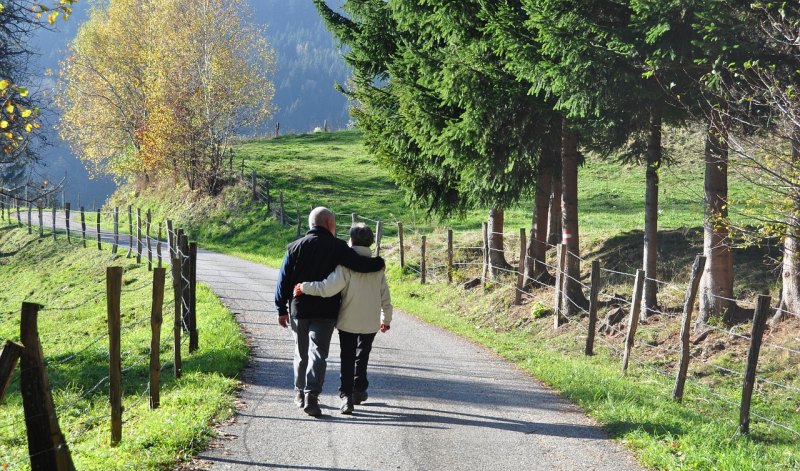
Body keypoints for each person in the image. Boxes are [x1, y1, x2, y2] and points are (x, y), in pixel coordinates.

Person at [275, 207, 384, 417]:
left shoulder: (294, 247)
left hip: (299, 309)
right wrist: (379, 263)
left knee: (301, 352)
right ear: (330, 224)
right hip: (326, 312)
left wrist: (281, 309)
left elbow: (283, 280)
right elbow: (359, 264)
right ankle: (312, 396)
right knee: (319, 354)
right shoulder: (338, 247)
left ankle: (299, 392)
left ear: (311, 224)